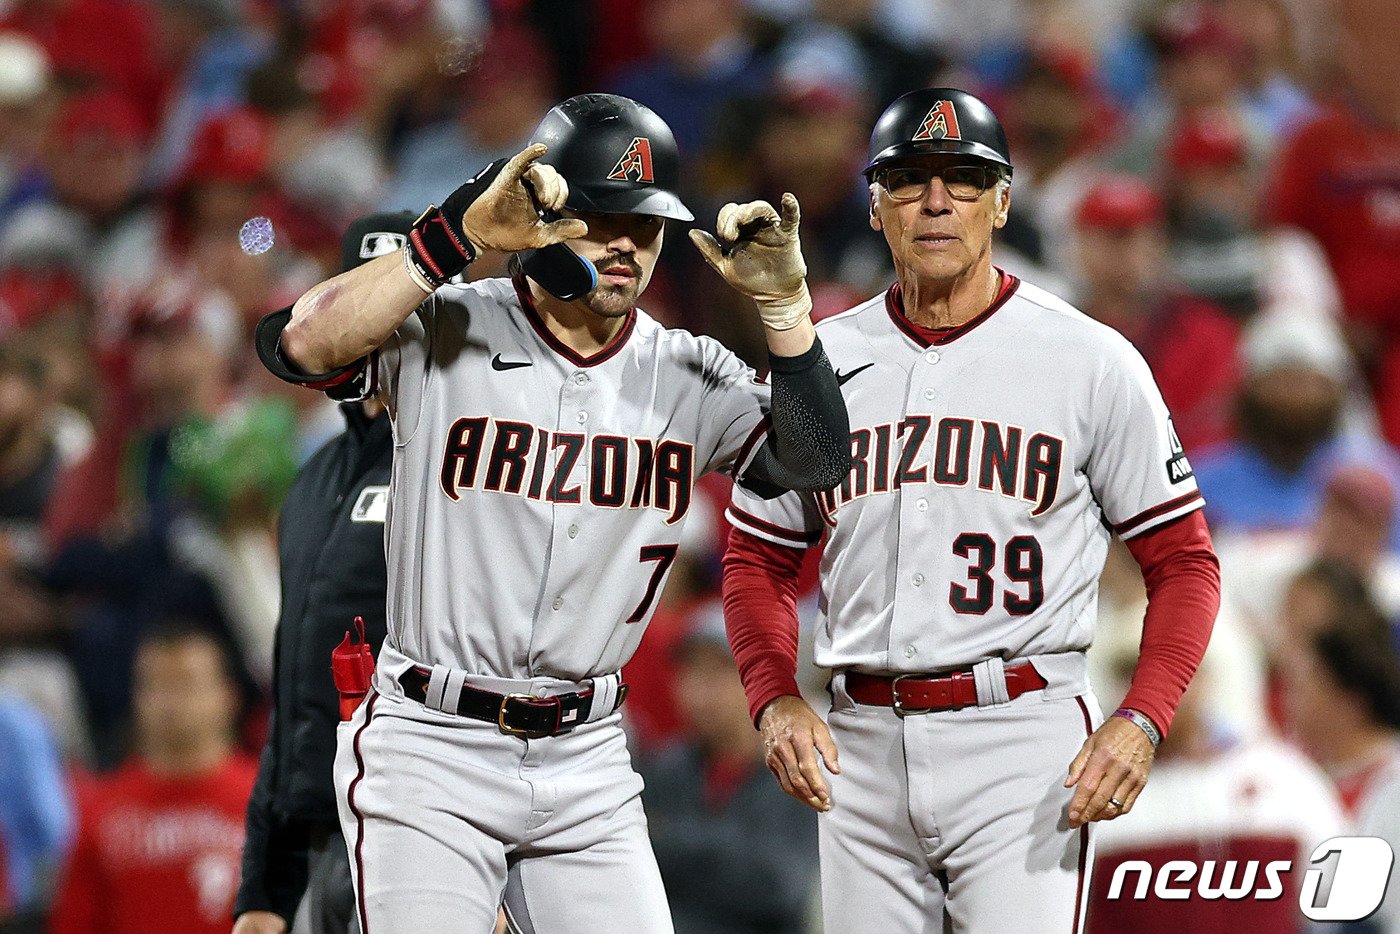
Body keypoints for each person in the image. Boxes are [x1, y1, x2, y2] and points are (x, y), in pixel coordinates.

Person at [263, 92, 850, 931]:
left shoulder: (689, 372)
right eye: (602, 217)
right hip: (434, 741)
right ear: (544, 214)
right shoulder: (447, 327)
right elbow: (301, 343)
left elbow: (819, 464)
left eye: (646, 226)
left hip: (589, 757)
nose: (625, 245)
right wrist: (453, 234)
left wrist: (788, 316)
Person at [722, 87, 1222, 933]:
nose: (937, 200)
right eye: (911, 179)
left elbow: (1185, 563)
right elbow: (756, 555)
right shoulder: (818, 362)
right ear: (875, 205)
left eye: (963, 177)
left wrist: (1142, 718)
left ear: (1003, 201)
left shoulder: (1088, 360)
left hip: (1021, 739)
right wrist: (773, 698)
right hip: (861, 743)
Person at [233, 214, 407, 934]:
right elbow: (294, 679)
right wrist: (262, 890)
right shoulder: (313, 479)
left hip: (424, 836)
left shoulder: (469, 472)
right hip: (319, 844)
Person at [49, 622, 258, 934]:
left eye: (186, 683)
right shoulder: (104, 811)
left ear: (227, 695)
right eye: (155, 685)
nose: (169, 701)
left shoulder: (264, 801)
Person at [638, 604, 819, 934]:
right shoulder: (665, 766)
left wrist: (666, 839)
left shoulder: (797, 767)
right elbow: (632, 872)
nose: (699, 691)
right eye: (690, 672)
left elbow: (776, 886)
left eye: (717, 672)